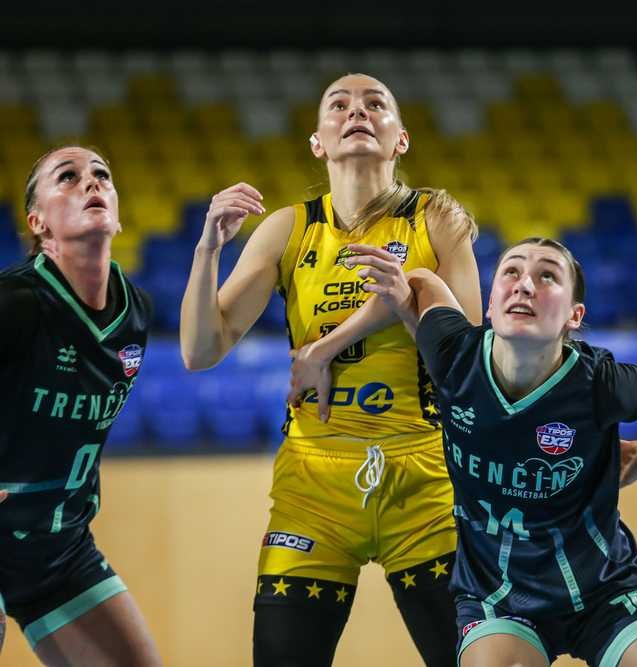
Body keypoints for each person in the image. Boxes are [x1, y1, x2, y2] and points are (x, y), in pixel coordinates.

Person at [180, 73, 481, 666]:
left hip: (425, 479)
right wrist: (207, 248)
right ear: (317, 141)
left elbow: (469, 364)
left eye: (375, 104)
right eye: (338, 105)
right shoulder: (288, 228)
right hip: (313, 486)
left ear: (401, 138)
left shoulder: (436, 218)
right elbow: (199, 350)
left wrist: (335, 342)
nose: (356, 112)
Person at [340, 237, 637, 666]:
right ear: (491, 304)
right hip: (497, 597)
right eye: (511, 271)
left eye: (547, 276)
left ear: (574, 316)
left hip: (606, 590)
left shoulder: (599, 384)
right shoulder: (455, 357)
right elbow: (422, 280)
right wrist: (331, 343)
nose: (525, 285)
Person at [0, 146, 161, 666]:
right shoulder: (16, 303)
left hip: (57, 548)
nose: (91, 183)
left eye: (101, 175)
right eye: (67, 177)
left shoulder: (136, 312)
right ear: (38, 222)